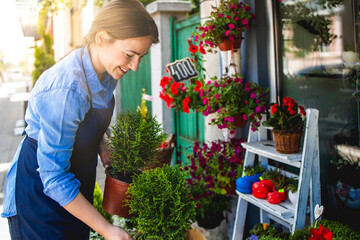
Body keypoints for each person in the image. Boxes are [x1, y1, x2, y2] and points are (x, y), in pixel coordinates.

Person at [1, 0, 159, 239]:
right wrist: (106, 229)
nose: (135, 66)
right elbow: (53, 177)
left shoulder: (106, 72)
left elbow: (86, 124)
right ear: (102, 38)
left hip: (72, 193)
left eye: (141, 57)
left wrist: (104, 147)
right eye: (130, 54)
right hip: (40, 199)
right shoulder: (66, 91)